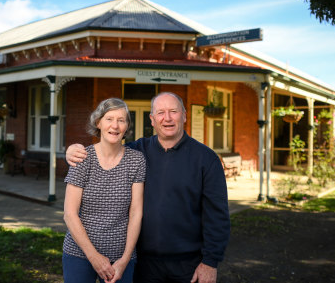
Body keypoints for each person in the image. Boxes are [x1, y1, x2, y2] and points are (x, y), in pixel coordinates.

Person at [67, 92, 230, 283]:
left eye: (173, 111)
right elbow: (108, 150)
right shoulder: (137, 152)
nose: (167, 118)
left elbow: (217, 215)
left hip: (188, 263)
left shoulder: (206, 158)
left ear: (184, 115)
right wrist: (72, 151)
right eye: (160, 112)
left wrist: (210, 262)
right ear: (152, 120)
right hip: (145, 264)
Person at [62, 98, 146, 283]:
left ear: (126, 127)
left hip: (122, 257)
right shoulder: (82, 157)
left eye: (121, 120)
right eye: (109, 119)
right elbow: (69, 214)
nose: (115, 125)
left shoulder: (136, 161)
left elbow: (135, 213)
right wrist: (94, 257)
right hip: (80, 254)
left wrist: (125, 259)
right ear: (98, 122)